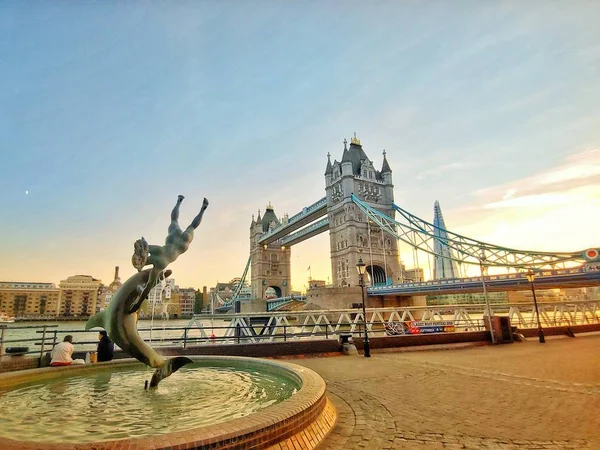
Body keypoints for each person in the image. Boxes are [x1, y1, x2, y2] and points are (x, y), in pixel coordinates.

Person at [134, 195, 209, 301]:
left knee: (177, 221)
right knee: (186, 224)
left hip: (168, 247)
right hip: (171, 247)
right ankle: (197, 207)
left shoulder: (158, 265)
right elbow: (143, 249)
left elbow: (149, 285)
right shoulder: (156, 259)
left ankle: (183, 203)